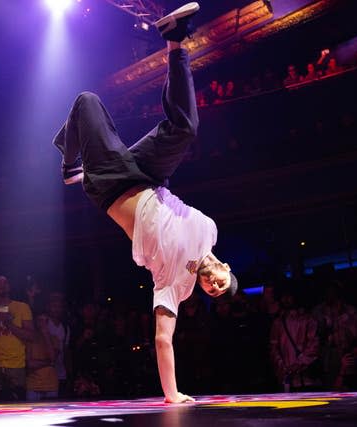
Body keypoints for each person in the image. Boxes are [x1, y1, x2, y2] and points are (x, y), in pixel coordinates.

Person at [52, 2, 237, 403]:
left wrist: (173, 395)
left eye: (214, 292)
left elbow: (162, 339)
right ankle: (174, 39)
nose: (214, 286)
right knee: (185, 129)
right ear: (224, 267)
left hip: (115, 186)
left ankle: (70, 166)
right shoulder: (210, 230)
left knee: (86, 102)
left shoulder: (178, 286)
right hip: (151, 177)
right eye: (222, 283)